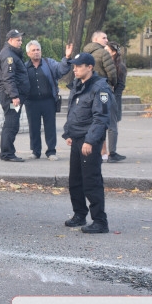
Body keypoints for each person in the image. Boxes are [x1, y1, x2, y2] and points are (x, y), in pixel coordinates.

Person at [62, 52, 113, 234]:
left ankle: (100, 221)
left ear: (90, 67)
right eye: (74, 66)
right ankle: (79, 214)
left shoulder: (100, 88)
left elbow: (101, 118)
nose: (74, 69)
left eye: (78, 66)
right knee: (75, 181)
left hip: (89, 141)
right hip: (77, 138)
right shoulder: (78, 84)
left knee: (91, 181)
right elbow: (74, 111)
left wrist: (90, 141)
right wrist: (69, 132)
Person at [24, 40, 73, 161]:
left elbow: (61, 70)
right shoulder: (24, 67)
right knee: (33, 127)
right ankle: (35, 151)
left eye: (38, 50)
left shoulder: (49, 63)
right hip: (31, 102)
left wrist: (66, 57)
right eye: (33, 50)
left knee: (50, 127)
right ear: (28, 53)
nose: (36, 52)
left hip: (48, 101)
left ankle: (51, 151)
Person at [0, 29, 30, 162]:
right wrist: (14, 96)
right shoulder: (8, 56)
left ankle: (7, 152)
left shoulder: (13, 53)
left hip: (13, 95)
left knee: (12, 123)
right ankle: (7, 153)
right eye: (18, 40)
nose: (20, 42)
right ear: (10, 40)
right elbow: (8, 78)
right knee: (11, 124)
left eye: (21, 40)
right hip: (11, 96)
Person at [105, 42, 127, 162]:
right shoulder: (104, 63)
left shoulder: (120, 66)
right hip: (105, 97)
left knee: (112, 125)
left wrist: (114, 98)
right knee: (109, 126)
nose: (104, 52)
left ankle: (112, 153)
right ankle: (110, 153)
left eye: (107, 50)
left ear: (113, 52)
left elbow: (121, 85)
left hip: (113, 97)